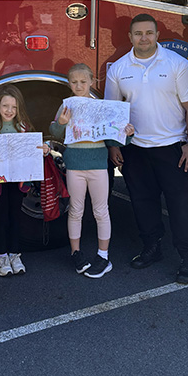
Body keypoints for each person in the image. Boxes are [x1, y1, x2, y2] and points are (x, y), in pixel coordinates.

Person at [105, 13, 188, 284]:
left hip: (173, 148)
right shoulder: (118, 68)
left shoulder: (178, 65)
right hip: (135, 149)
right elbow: (113, 112)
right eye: (138, 34)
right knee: (142, 203)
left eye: (149, 33)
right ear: (130, 37)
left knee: (181, 206)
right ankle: (152, 248)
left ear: (158, 34)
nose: (144, 38)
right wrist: (115, 145)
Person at [50, 64, 135, 278]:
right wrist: (61, 123)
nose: (79, 86)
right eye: (74, 82)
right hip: (75, 165)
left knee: (100, 210)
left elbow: (112, 139)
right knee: (76, 210)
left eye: (83, 82)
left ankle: (103, 255)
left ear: (92, 82)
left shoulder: (101, 107)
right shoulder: (66, 107)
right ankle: (75, 252)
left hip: (97, 164)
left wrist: (127, 134)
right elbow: (55, 132)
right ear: (69, 83)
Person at [0, 85, 48, 276]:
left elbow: (33, 150)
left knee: (16, 216)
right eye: (5, 106)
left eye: (14, 107)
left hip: (18, 180)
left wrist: (44, 149)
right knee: (1, 217)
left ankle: (15, 254)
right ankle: (2, 255)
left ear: (19, 109)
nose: (9, 111)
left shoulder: (24, 128)